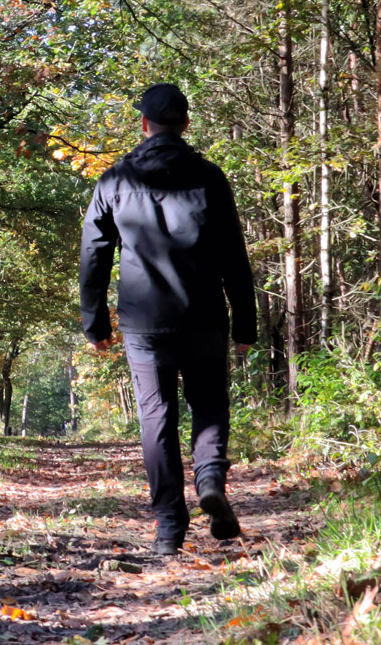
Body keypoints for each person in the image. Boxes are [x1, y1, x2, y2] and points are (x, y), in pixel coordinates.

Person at [79, 83, 256, 554]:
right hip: (204, 315)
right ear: (186, 124)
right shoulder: (210, 178)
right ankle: (211, 479)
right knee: (210, 405)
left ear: (143, 124)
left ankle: (168, 530)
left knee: (156, 416)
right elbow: (234, 256)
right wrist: (245, 324)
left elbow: (93, 256)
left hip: (143, 321)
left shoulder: (113, 181)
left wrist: (95, 323)